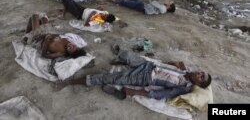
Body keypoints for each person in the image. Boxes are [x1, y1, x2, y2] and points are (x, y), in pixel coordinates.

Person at [61, 49, 212, 100]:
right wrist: (175, 63)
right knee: (126, 54)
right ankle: (121, 64)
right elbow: (170, 65)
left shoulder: (183, 87)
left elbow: (161, 95)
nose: (199, 73)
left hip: (143, 77)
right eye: (201, 72)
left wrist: (134, 92)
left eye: (201, 77)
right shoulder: (187, 71)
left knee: (107, 77)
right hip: (148, 65)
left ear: (198, 84)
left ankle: (71, 82)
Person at [107, 0, 176, 15]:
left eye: (169, 2)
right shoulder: (163, 7)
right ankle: (120, 0)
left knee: (131, 3)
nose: (168, 0)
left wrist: (151, 0)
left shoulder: (163, 9)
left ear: (169, 6)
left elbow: (154, 3)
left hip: (144, 7)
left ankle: (116, 1)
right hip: (144, 5)